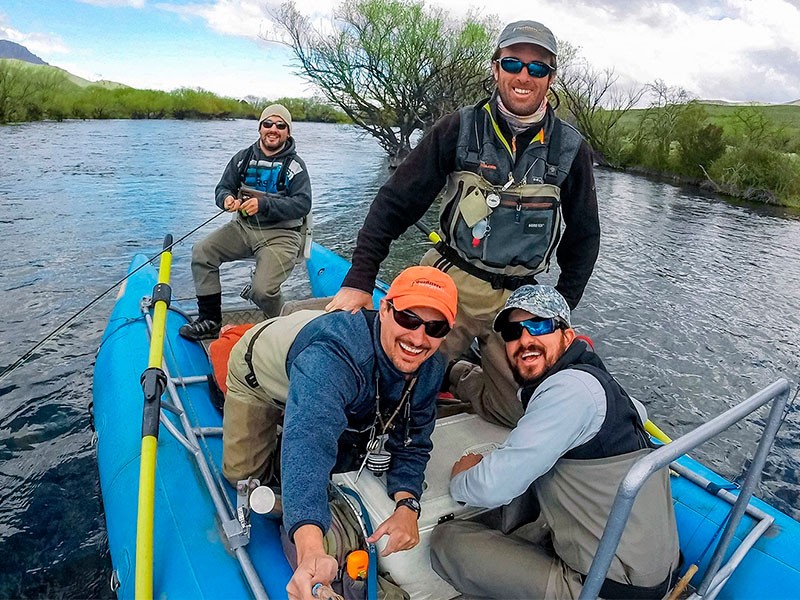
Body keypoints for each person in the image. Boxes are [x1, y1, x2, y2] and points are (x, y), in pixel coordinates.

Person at [325, 20, 601, 428]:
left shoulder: (572, 150)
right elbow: (394, 203)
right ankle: (425, 377)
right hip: (450, 281)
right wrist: (360, 278)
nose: (524, 76)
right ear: (495, 68)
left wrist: (558, 309)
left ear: (551, 77)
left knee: (519, 414)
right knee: (392, 388)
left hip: (519, 299)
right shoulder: (457, 128)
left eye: (537, 68)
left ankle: (456, 374)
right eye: (513, 64)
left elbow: (584, 239)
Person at [221, 266, 458, 600]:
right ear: (385, 309)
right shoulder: (333, 358)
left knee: (338, 439)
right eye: (408, 319)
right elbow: (309, 443)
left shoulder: (430, 368)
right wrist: (310, 550)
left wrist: (408, 503)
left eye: (435, 327)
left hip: (332, 379)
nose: (418, 339)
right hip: (259, 377)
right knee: (241, 475)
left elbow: (414, 439)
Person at [429, 285, 680, 599]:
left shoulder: (568, 391)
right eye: (512, 332)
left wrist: (462, 477)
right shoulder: (597, 379)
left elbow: (491, 487)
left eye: (540, 325)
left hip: (605, 587)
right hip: (653, 571)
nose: (525, 340)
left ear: (567, 335)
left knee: (446, 542)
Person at [180, 103, 313, 341]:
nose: (273, 129)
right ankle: (210, 320)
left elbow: (303, 204)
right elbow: (222, 188)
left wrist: (265, 205)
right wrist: (226, 199)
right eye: (268, 124)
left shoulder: (295, 166)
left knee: (263, 291)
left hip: (282, 236)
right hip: (243, 229)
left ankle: (283, 330)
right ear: (260, 128)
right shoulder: (242, 159)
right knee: (202, 252)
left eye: (280, 125)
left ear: (288, 132)